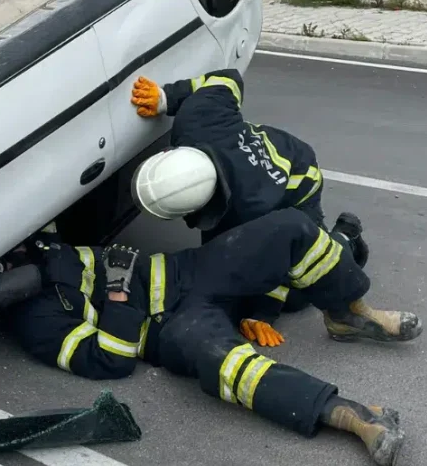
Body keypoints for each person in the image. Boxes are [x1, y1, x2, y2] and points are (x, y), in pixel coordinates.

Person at [0, 208, 421, 466]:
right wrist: (119, 292)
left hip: (187, 270)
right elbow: (109, 360)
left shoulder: (41, 242)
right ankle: (350, 416)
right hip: (169, 326)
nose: (13, 258)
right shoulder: (35, 323)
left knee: (290, 228)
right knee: (226, 364)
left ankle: (347, 314)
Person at [128, 68, 370, 333]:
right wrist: (167, 97)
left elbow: (281, 254)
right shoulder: (195, 120)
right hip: (270, 153)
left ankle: (345, 238)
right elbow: (227, 77)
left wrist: (263, 314)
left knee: (302, 287)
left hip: (298, 181)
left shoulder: (252, 209)